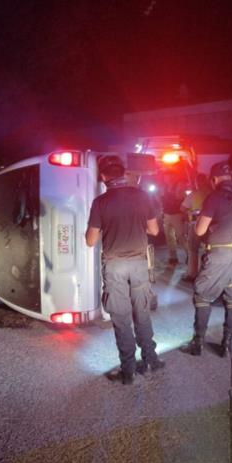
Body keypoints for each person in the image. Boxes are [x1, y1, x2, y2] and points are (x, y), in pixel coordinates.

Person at [85, 155, 165, 384]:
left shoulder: (101, 202)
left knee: (120, 317)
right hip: (139, 263)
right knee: (142, 313)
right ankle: (151, 360)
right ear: (123, 173)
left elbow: (91, 241)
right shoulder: (141, 196)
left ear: (103, 177)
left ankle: (128, 370)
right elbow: (154, 230)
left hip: (115, 265)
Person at [179, 161, 232, 357]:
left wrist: (206, 226)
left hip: (220, 255)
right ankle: (227, 345)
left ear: (214, 179)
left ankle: (198, 343)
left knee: (202, 296)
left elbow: (200, 230)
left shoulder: (214, 197)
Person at [180, 173, 212, 281]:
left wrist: (190, 212)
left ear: (197, 182)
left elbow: (182, 208)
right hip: (210, 226)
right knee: (209, 250)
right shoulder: (212, 193)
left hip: (196, 225)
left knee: (193, 250)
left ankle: (192, 274)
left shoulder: (194, 194)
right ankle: (208, 273)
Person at [159, 171, 188, 265]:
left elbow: (182, 197)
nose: (165, 178)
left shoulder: (179, 185)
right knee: (169, 237)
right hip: (167, 214)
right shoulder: (165, 187)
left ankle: (189, 255)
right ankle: (173, 257)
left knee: (181, 236)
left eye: (167, 176)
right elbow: (161, 198)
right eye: (165, 177)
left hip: (177, 214)